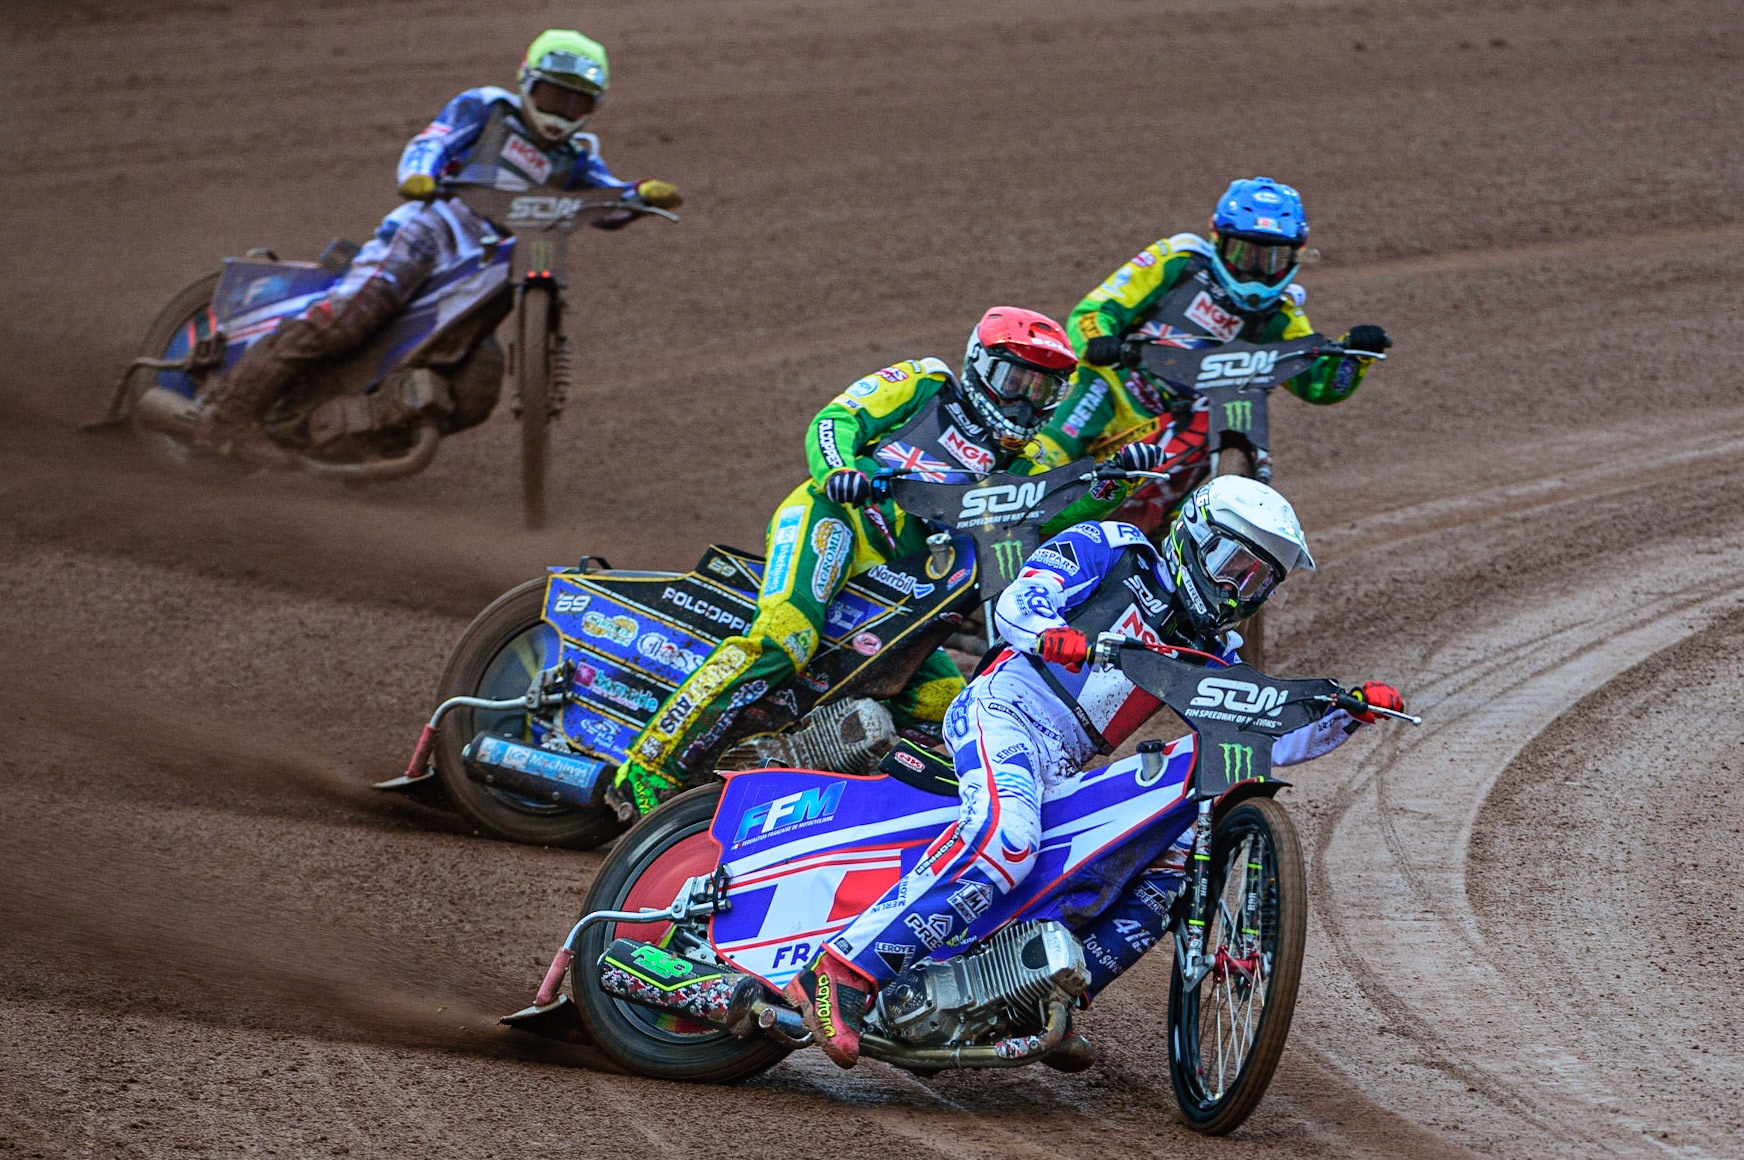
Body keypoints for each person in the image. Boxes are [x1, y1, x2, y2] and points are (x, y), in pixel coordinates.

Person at [785, 476, 1405, 1067]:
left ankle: (1033, 1001)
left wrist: (1347, 713)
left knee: (1168, 861)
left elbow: (1262, 734)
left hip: (1065, 761)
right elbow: (1020, 600)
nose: (1238, 589)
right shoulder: (1113, 548)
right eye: (1232, 564)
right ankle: (842, 971)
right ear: (1194, 534)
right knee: (1009, 838)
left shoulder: (1216, 652)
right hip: (1006, 710)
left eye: (1257, 580)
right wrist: (1052, 634)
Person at [609, 306, 1170, 817]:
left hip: (907, 591)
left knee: (948, 707)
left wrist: (1109, 487)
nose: (1024, 400)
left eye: (1042, 389)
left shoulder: (1028, 464)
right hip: (835, 523)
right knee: (786, 641)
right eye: (1014, 380)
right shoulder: (926, 385)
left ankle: (818, 792)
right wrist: (840, 471)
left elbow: (1042, 525)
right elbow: (837, 420)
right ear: (979, 365)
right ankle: (649, 766)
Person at [197, 29, 682, 465]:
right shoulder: (489, 107)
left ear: (593, 110)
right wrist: (419, 175)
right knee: (351, 315)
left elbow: (606, 197)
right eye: (552, 96)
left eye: (575, 105)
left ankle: (364, 434)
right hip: (434, 228)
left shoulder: (577, 156)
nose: (559, 115)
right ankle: (227, 414)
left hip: (486, 263)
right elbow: (434, 140)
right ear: (526, 81)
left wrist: (639, 195)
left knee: (475, 383)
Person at [1032, 177, 1390, 527]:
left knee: (1221, 422)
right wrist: (1099, 339)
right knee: (1071, 421)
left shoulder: (1279, 314)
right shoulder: (1178, 261)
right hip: (1118, 389)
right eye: (1244, 253)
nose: (1256, 271)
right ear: (1217, 239)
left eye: (1271, 259)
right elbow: (1094, 311)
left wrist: (1353, 356)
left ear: (1294, 257)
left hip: (1189, 418)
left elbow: (1316, 382)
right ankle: (1011, 494)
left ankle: (1163, 534)